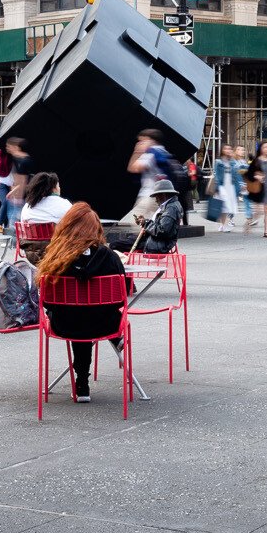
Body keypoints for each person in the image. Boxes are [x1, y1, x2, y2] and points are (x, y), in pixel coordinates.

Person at [34, 203, 129, 404]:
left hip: (64, 326)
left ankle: (82, 385)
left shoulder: (54, 260)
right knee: (95, 313)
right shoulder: (110, 258)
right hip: (105, 325)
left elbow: (48, 304)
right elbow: (121, 298)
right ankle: (116, 339)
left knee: (77, 315)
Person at [128, 130, 176, 226]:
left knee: (135, 223)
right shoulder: (164, 152)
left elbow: (133, 168)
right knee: (155, 224)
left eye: (142, 141)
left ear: (151, 141)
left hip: (148, 195)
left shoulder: (150, 154)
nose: (140, 143)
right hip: (164, 196)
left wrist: (137, 151)